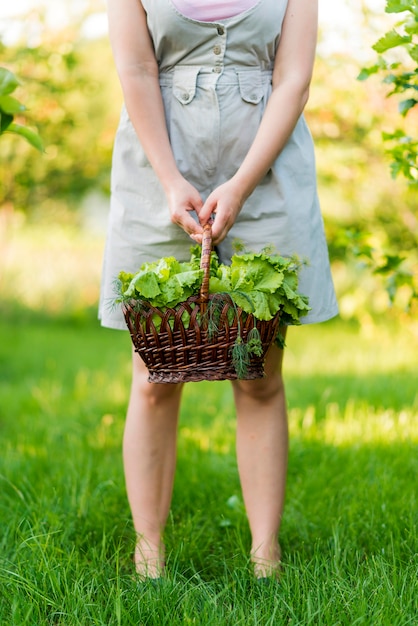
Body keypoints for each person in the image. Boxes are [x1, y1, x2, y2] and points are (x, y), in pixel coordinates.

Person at [99, 0, 338, 581]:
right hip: (159, 170)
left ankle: (265, 557)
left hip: (266, 173)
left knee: (257, 373)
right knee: (156, 376)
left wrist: (239, 185)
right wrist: (170, 179)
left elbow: (293, 79)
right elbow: (135, 70)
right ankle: (148, 554)